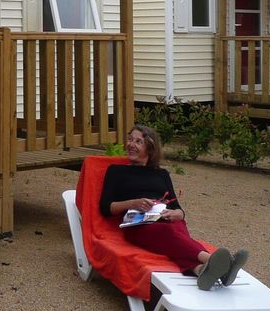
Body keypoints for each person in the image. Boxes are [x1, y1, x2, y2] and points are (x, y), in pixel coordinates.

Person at [99, 124, 249, 291]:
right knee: (170, 232)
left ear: (150, 148)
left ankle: (200, 270)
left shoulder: (162, 174)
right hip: (137, 225)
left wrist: (178, 213)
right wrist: (133, 203)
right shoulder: (116, 171)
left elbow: (176, 206)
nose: (131, 145)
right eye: (130, 140)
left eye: (138, 142)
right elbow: (105, 208)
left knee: (177, 227)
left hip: (165, 219)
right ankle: (213, 260)